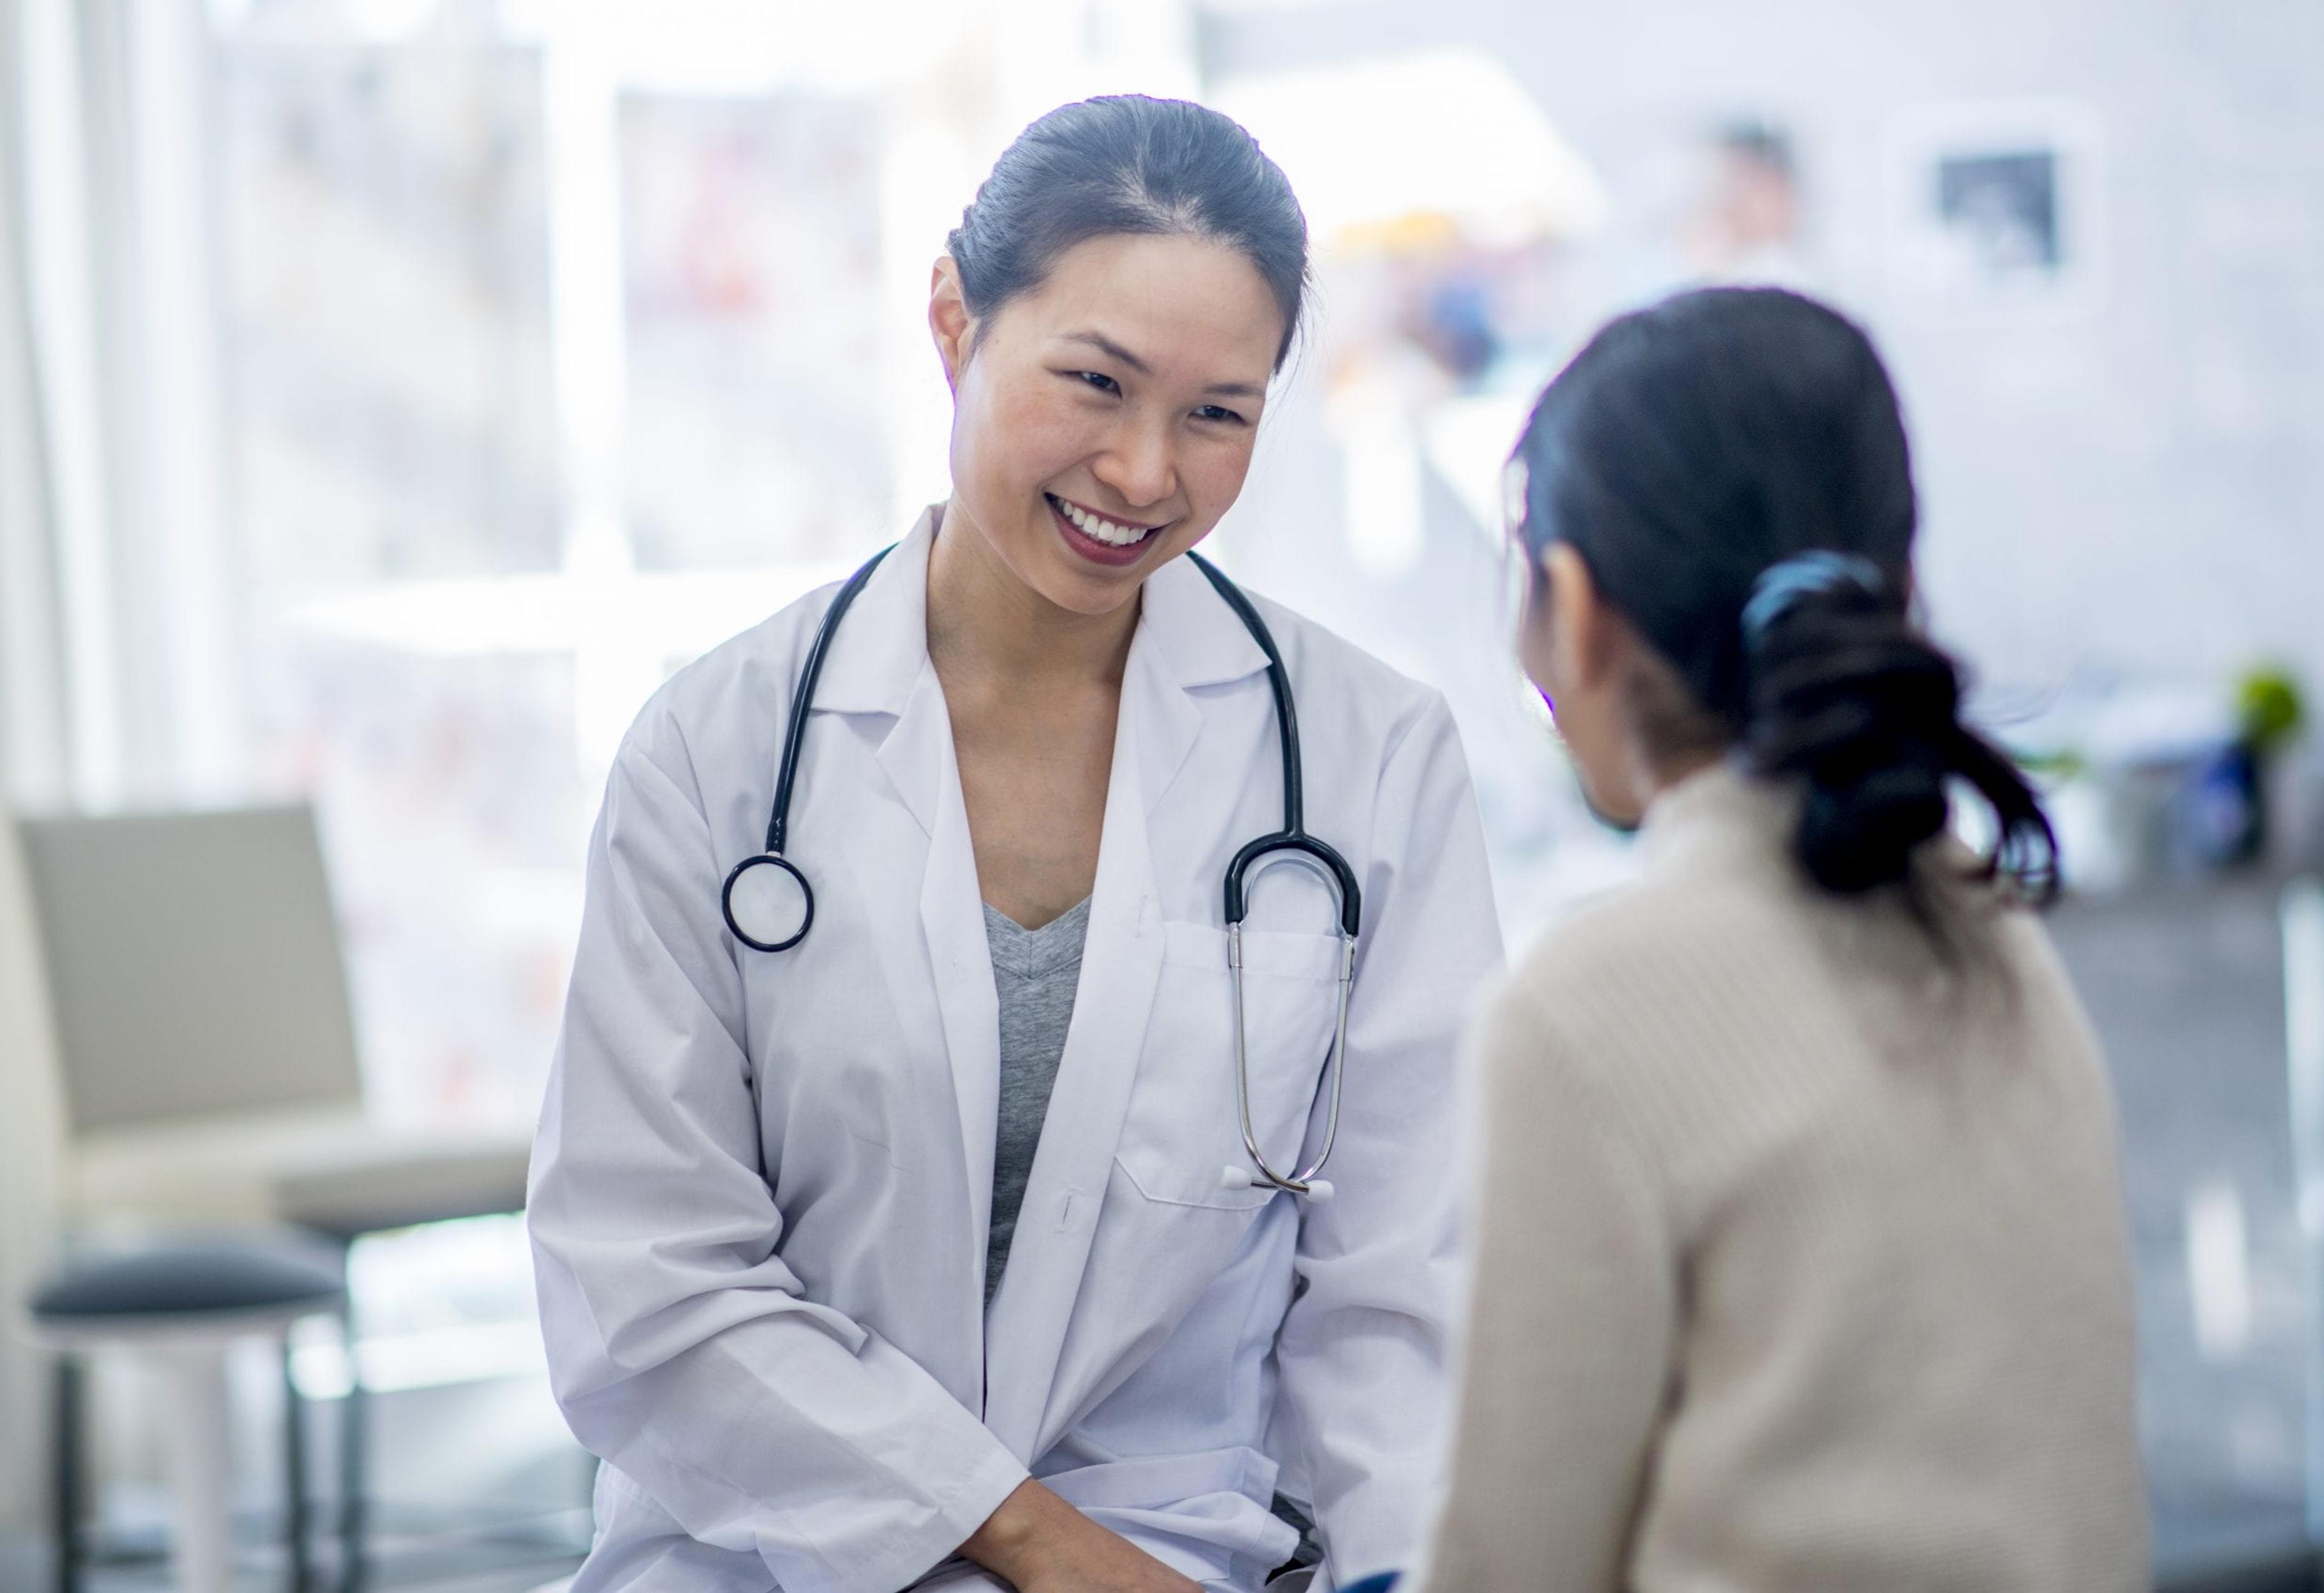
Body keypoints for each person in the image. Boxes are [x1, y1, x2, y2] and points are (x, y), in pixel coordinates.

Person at [526, 95, 1503, 1593]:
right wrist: (1037, 1549)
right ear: (951, 320)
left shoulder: (1370, 763)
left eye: (1217, 414)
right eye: (1095, 383)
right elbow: (645, 1279)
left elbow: (1398, 1299)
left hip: (1195, 1559)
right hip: (774, 1556)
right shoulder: (715, 757)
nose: (1141, 472)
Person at [1405, 287, 2146, 1592]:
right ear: (1903, 590)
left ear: (1568, 611)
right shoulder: (1987, 929)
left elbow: (1509, 1565)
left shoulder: (1591, 1011)